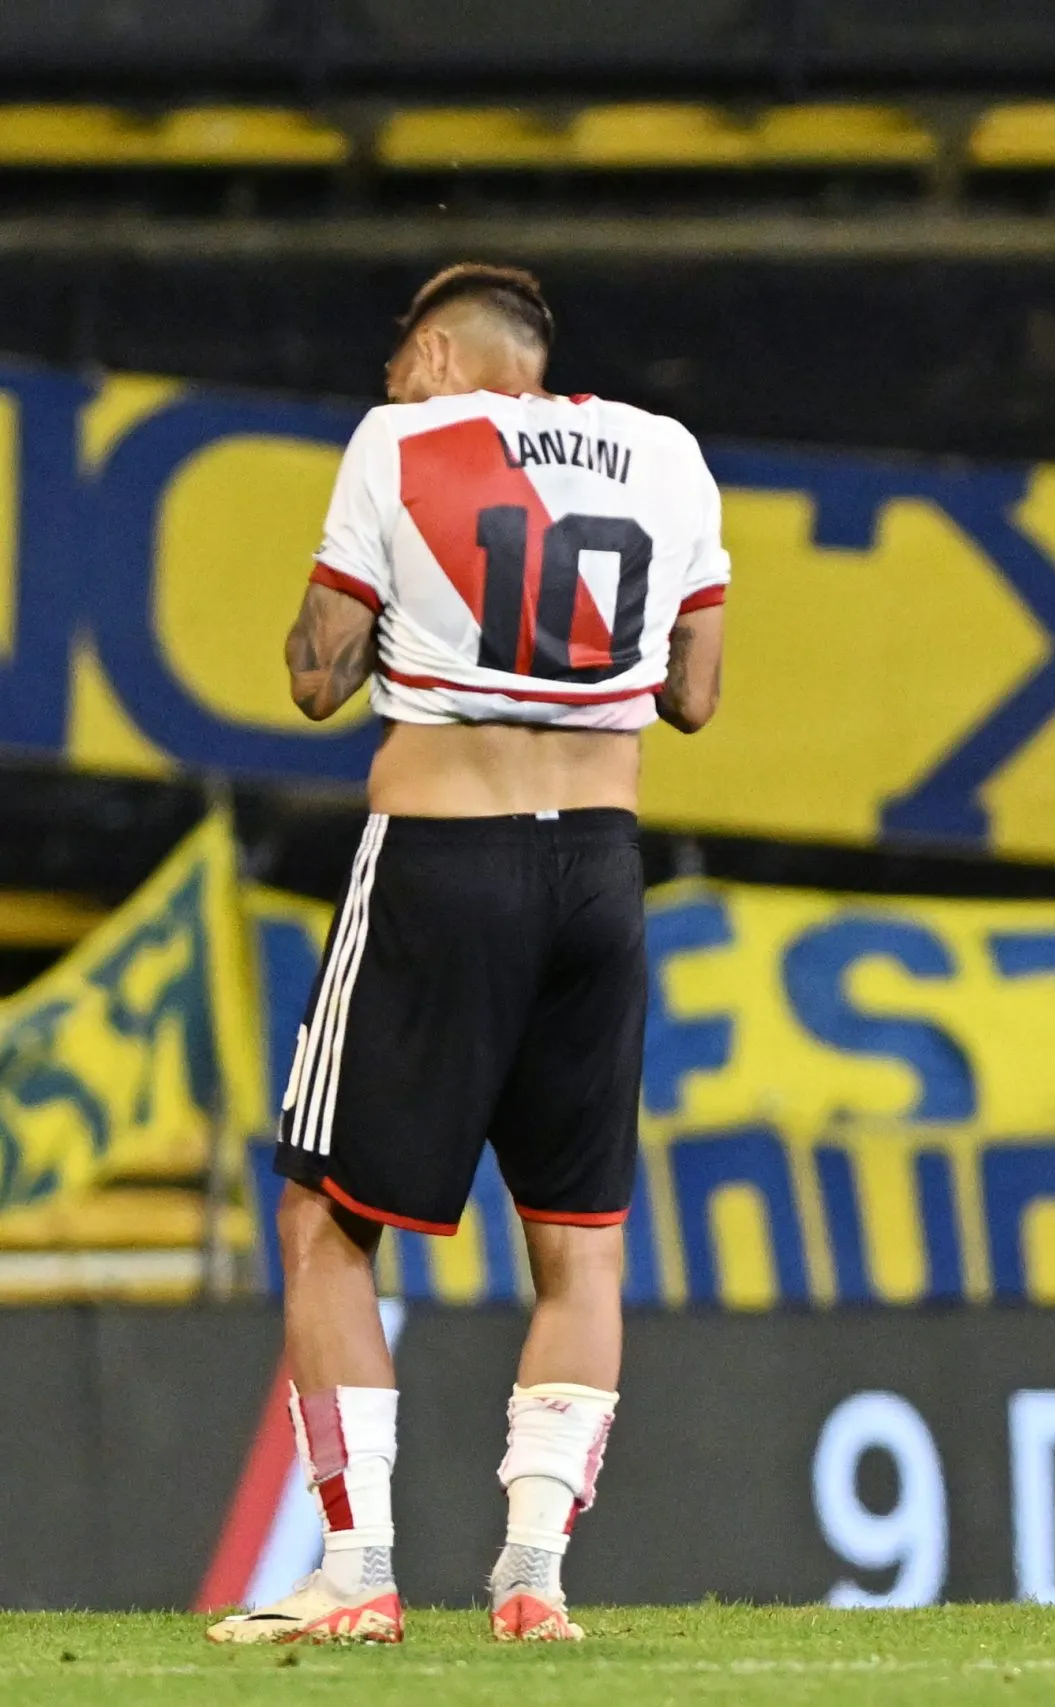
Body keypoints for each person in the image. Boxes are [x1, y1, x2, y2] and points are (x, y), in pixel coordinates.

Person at [206, 265, 729, 1645]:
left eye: (397, 359)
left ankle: (358, 1563)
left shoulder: (398, 442)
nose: (387, 383)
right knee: (582, 1244)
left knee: (326, 1216)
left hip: (444, 855)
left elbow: (317, 676)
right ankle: (532, 1575)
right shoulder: (669, 455)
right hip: (600, 875)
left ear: (440, 352)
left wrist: (383, 630)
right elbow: (695, 694)